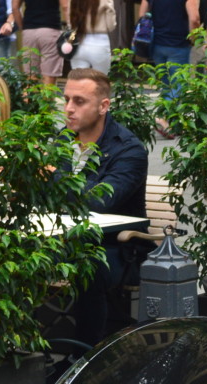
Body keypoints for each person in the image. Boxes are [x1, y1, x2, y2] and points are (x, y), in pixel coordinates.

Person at [59, 68, 148, 345]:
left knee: (88, 266)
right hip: (63, 240)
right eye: (66, 100)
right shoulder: (62, 140)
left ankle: (84, 354)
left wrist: (53, 179)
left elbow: (100, 201)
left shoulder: (128, 149)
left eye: (79, 101)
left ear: (103, 106)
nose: (69, 109)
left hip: (118, 249)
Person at [18, 0, 63, 85]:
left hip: (29, 31)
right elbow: (65, 6)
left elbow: (15, 7)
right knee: (49, 75)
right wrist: (70, 26)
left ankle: (30, 97)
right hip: (50, 29)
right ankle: (47, 98)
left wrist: (22, 28)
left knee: (30, 74)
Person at [68, 0, 117, 73]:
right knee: (100, 80)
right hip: (100, 42)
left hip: (77, 42)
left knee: (78, 79)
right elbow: (111, 26)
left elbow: (71, 23)